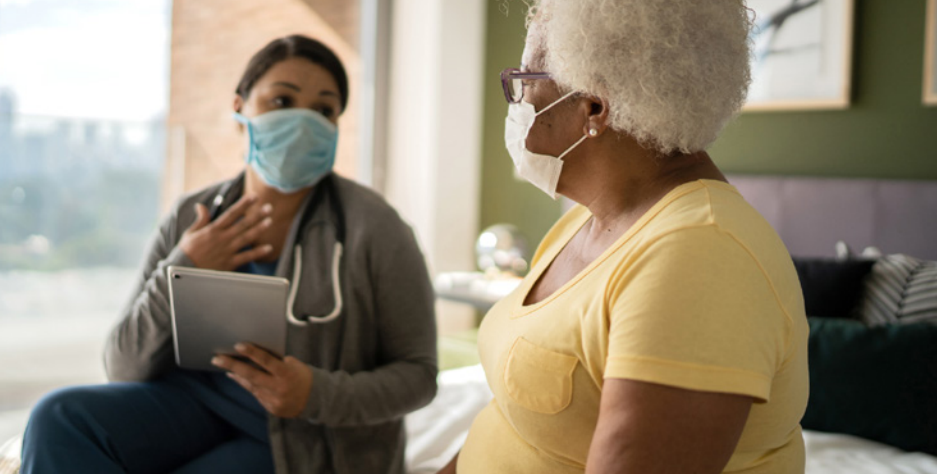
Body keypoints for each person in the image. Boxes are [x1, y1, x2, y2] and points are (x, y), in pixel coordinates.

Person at [21, 35, 438, 474]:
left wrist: (313, 393)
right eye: (281, 100)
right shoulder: (191, 215)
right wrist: (184, 263)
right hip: (192, 404)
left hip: (304, 432)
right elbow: (124, 364)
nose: (303, 121)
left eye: (323, 110)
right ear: (240, 109)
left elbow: (419, 375)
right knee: (59, 416)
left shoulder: (374, 226)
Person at [441, 1, 808, 473]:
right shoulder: (585, 221)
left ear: (593, 107)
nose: (519, 102)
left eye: (527, 80)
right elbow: (511, 419)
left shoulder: (700, 255)